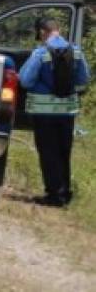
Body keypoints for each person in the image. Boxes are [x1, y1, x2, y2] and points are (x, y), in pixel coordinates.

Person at [19, 17, 91, 206]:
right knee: (63, 152)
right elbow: (84, 79)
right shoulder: (76, 52)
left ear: (43, 32)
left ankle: (53, 195)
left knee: (48, 153)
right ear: (58, 30)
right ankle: (64, 192)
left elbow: (25, 81)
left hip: (43, 112)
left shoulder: (40, 53)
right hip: (67, 112)